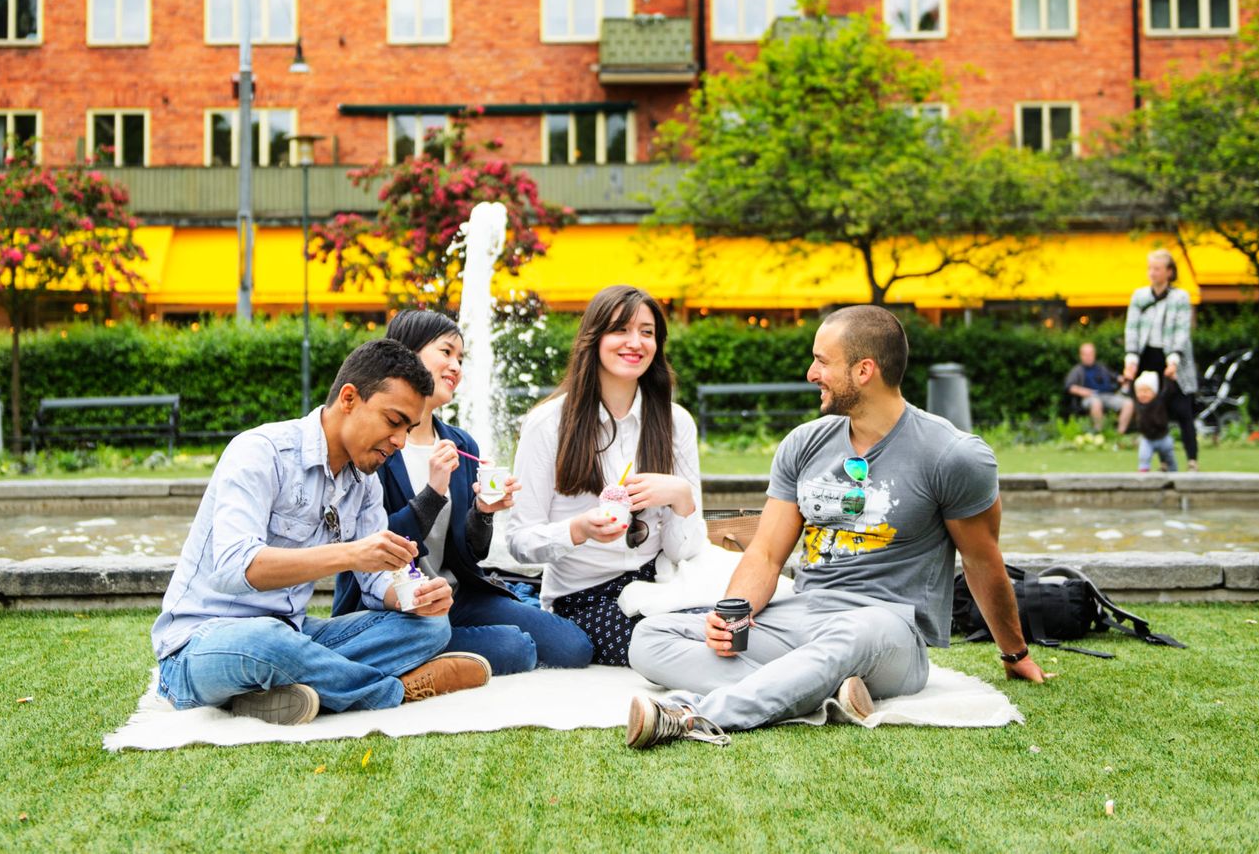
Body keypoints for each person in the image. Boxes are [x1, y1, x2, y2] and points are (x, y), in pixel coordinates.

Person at [624, 305, 1045, 749]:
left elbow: (982, 561)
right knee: (651, 637)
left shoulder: (953, 456)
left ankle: (693, 714)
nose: (811, 373)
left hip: (890, 631)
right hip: (806, 616)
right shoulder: (805, 444)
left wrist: (1014, 653)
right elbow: (766, 553)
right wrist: (734, 616)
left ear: (864, 371)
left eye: (822, 361)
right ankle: (821, 689)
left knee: (854, 633)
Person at [150, 338, 491, 726]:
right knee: (266, 641)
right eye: (393, 421)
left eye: (408, 428)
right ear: (349, 398)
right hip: (200, 645)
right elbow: (232, 569)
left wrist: (413, 598)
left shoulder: (365, 484)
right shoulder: (260, 452)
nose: (399, 440)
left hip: (295, 634)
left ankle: (267, 694)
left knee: (431, 626)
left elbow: (376, 582)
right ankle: (394, 691)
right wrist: (350, 554)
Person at [333, 310, 594, 672]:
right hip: (395, 603)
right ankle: (417, 649)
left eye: (461, 358)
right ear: (406, 353)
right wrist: (433, 493)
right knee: (516, 648)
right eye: (446, 352)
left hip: (457, 594)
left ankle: (428, 653)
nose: (455, 366)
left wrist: (484, 514)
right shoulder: (374, 445)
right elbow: (375, 547)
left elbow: (472, 553)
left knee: (573, 646)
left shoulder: (459, 442)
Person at [507, 285, 704, 667]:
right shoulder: (548, 424)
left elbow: (685, 552)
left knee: (726, 623)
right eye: (620, 330)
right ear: (594, 338)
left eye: (646, 332)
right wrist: (578, 529)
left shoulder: (675, 423)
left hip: (660, 583)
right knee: (673, 643)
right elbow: (519, 541)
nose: (635, 342)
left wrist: (681, 497)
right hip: (584, 596)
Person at [1123, 249, 1199, 470]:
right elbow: (1132, 329)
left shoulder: (1180, 298)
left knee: (1183, 410)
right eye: (1150, 268)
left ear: (1169, 272)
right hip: (1148, 358)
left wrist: (1174, 360)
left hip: (1175, 357)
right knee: (1155, 409)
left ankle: (1192, 459)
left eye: (1157, 269)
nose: (1152, 273)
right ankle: (1165, 460)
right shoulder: (1140, 297)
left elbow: (1182, 331)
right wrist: (1131, 359)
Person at [1063, 341, 1132, 434]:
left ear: (1094, 354)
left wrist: (1124, 378)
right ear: (1081, 355)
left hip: (1108, 395)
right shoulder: (1077, 370)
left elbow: (1116, 377)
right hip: (1090, 398)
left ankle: (1119, 434)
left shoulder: (1101, 367)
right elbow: (1069, 387)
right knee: (1096, 402)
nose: (1089, 356)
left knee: (1129, 403)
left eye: (1091, 354)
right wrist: (1084, 391)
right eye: (1086, 354)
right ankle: (1100, 433)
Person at [1128, 372, 1178, 473]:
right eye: (1140, 391)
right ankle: (1143, 476)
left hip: (1163, 437)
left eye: (1146, 391)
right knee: (1144, 457)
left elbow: (1168, 391)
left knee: (1169, 458)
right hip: (1147, 439)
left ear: (1154, 392)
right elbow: (1131, 392)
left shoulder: (1159, 401)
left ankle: (1174, 475)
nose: (1143, 394)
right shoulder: (1138, 403)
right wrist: (1130, 378)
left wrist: (1168, 378)